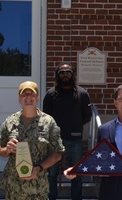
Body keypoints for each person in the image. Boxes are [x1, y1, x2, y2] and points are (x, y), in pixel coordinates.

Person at [0, 81, 65, 200]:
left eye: (32, 94)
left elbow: (57, 153)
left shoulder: (48, 122)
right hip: (14, 186)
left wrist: (39, 167)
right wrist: (7, 149)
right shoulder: (10, 121)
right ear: (19, 99)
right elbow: (0, 150)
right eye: (24, 94)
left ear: (37, 98)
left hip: (37, 186)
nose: (28, 97)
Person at [43, 62, 92, 200]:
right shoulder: (51, 94)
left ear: (73, 74)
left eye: (68, 72)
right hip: (54, 141)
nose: (65, 75)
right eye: (62, 72)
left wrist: (74, 125)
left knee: (76, 174)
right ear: (57, 75)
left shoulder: (82, 94)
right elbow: (45, 117)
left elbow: (87, 115)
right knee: (51, 175)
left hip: (74, 140)